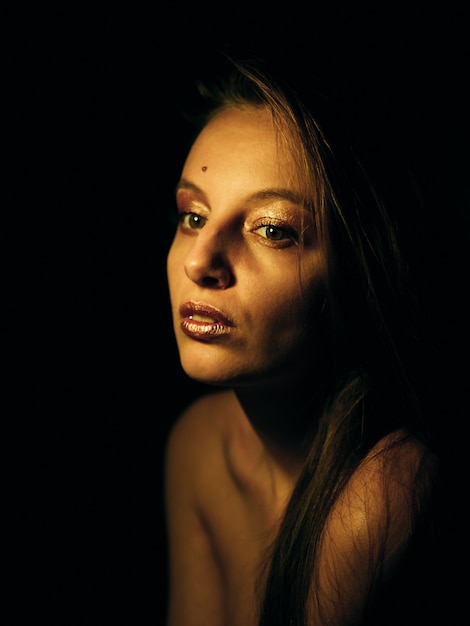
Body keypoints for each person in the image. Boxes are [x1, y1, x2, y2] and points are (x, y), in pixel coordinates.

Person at [163, 51, 441, 626]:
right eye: (193, 216)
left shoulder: (386, 490)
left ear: (357, 274)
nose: (199, 261)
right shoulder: (198, 447)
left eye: (271, 230)